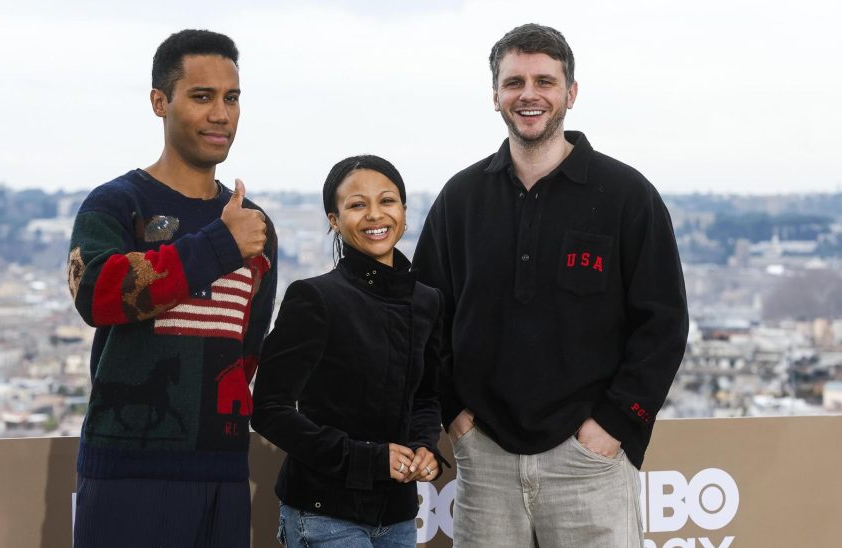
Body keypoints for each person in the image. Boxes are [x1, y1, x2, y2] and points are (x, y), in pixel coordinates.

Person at [412, 24, 689, 547]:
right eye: (514, 82)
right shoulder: (460, 199)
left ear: (571, 93)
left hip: (590, 463)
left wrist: (613, 426)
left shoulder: (627, 195)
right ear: (495, 95)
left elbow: (664, 323)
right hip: (485, 462)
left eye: (544, 81)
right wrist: (454, 414)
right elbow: (425, 317)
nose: (529, 95)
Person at [67, 29, 277, 548]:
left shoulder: (255, 226)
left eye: (232, 98)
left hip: (224, 470)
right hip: (127, 470)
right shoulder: (116, 203)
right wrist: (220, 245)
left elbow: (247, 350)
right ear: (159, 102)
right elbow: (96, 294)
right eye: (202, 97)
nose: (221, 115)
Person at [251, 155, 445, 547]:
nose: (375, 214)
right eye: (357, 205)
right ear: (334, 220)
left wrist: (424, 447)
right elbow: (269, 410)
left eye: (387, 201)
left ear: (404, 212)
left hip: (398, 515)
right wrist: (367, 459)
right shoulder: (314, 298)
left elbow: (426, 397)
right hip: (324, 512)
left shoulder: (427, 301)